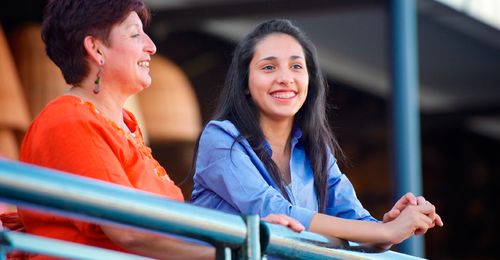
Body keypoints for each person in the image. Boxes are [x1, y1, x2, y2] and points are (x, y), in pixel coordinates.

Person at [13, 1, 302, 259]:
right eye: (135, 34)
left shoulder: (122, 125)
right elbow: (129, 231)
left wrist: (247, 231)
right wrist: (232, 249)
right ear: (96, 48)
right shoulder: (72, 120)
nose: (150, 46)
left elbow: (168, 228)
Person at [192, 19, 443, 250]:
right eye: (268, 67)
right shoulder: (221, 138)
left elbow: (357, 226)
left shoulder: (315, 150)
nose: (285, 78)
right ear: (245, 83)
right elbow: (272, 211)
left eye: (296, 67)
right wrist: (384, 232)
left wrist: (389, 225)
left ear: (309, 81)